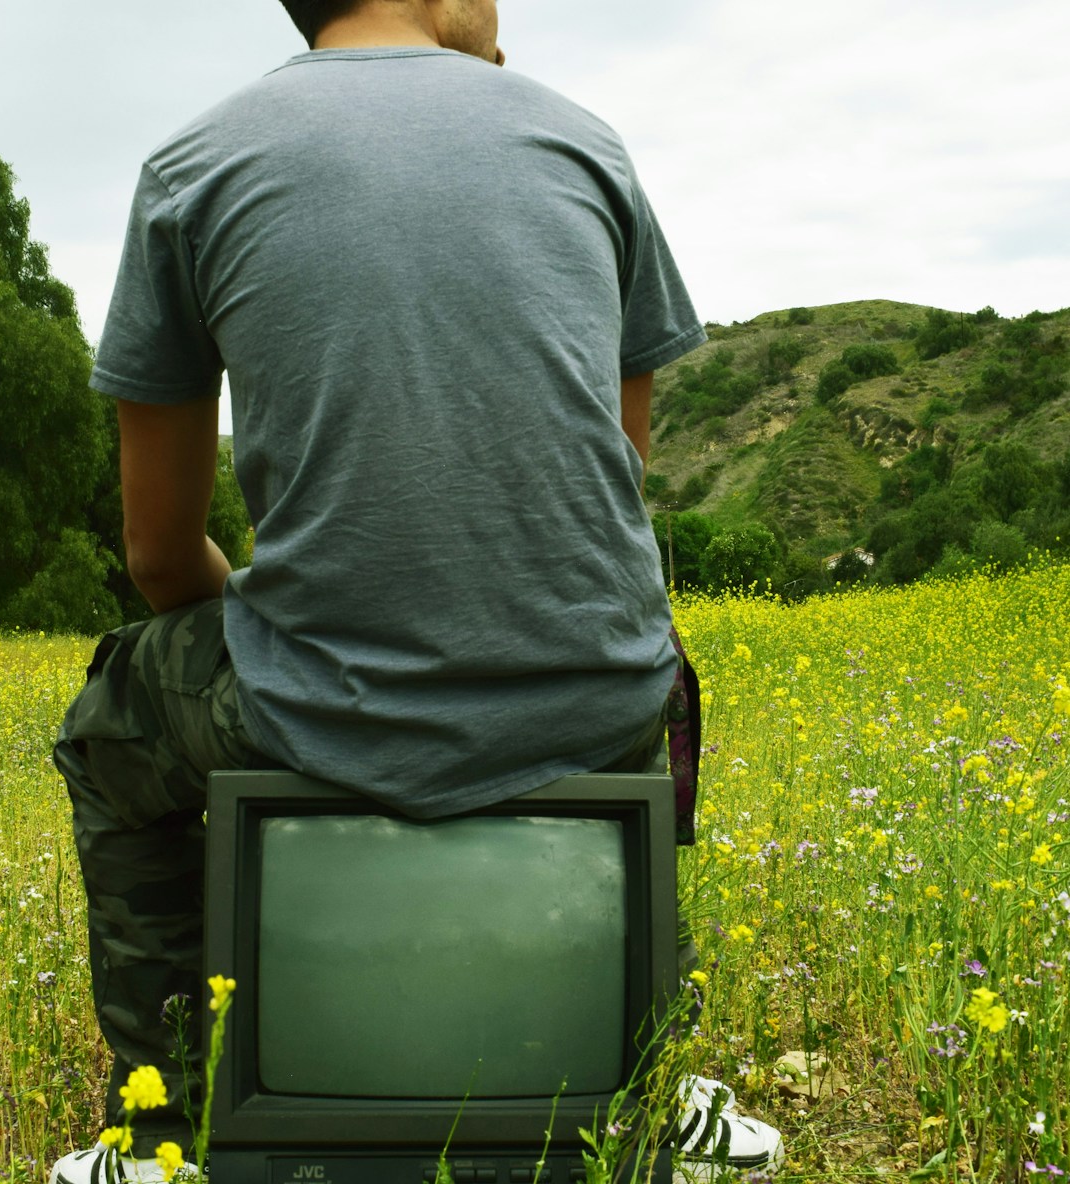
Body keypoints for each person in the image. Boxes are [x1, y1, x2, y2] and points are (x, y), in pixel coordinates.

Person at [49, 1, 782, 1180]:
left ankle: (163, 1128)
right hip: (606, 694)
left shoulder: (190, 168)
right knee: (656, 674)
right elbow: (618, 470)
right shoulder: (584, 141)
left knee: (113, 719)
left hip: (319, 704)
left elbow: (159, 558)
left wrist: (286, 632)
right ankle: (654, 1070)